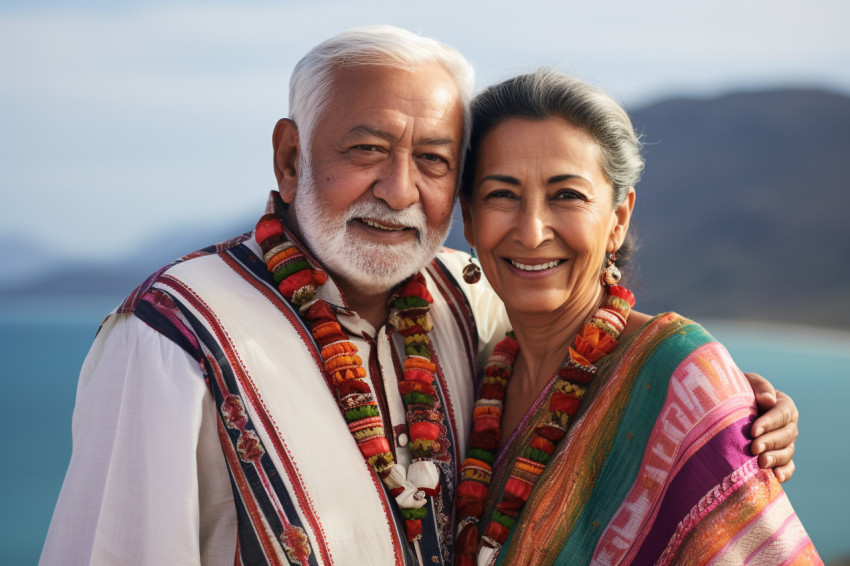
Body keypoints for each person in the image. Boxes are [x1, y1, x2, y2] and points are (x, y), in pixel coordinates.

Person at [40, 27, 798, 566]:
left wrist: (731, 405)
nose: (398, 190)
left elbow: (595, 375)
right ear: (290, 155)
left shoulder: (465, 300)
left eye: (432, 159)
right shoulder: (174, 338)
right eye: (366, 149)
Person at [454, 69, 819, 565]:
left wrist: (722, 403)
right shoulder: (474, 371)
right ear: (470, 219)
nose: (532, 229)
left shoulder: (679, 374)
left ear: (618, 219)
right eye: (502, 194)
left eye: (567, 195)